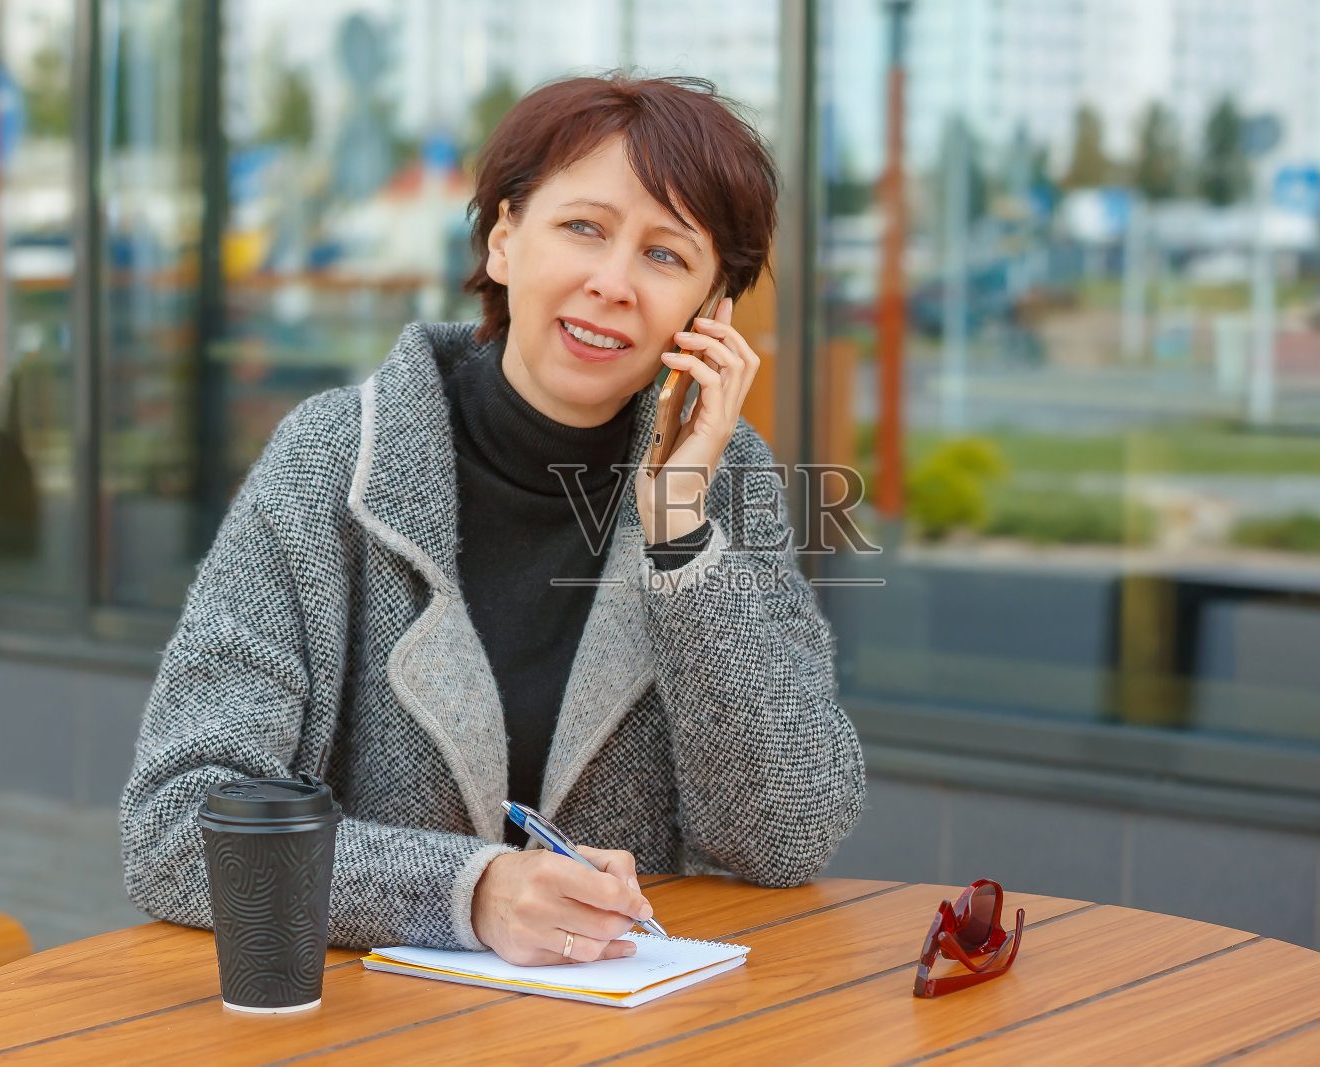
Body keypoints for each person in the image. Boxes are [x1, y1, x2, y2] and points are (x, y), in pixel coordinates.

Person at [119, 73, 865, 968]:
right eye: (583, 228)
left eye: (667, 255)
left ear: (711, 311)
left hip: (626, 1032)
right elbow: (178, 823)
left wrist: (680, 535)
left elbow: (786, 836)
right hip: (368, 1034)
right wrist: (467, 890)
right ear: (505, 239)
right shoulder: (333, 460)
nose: (612, 282)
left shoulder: (722, 475)